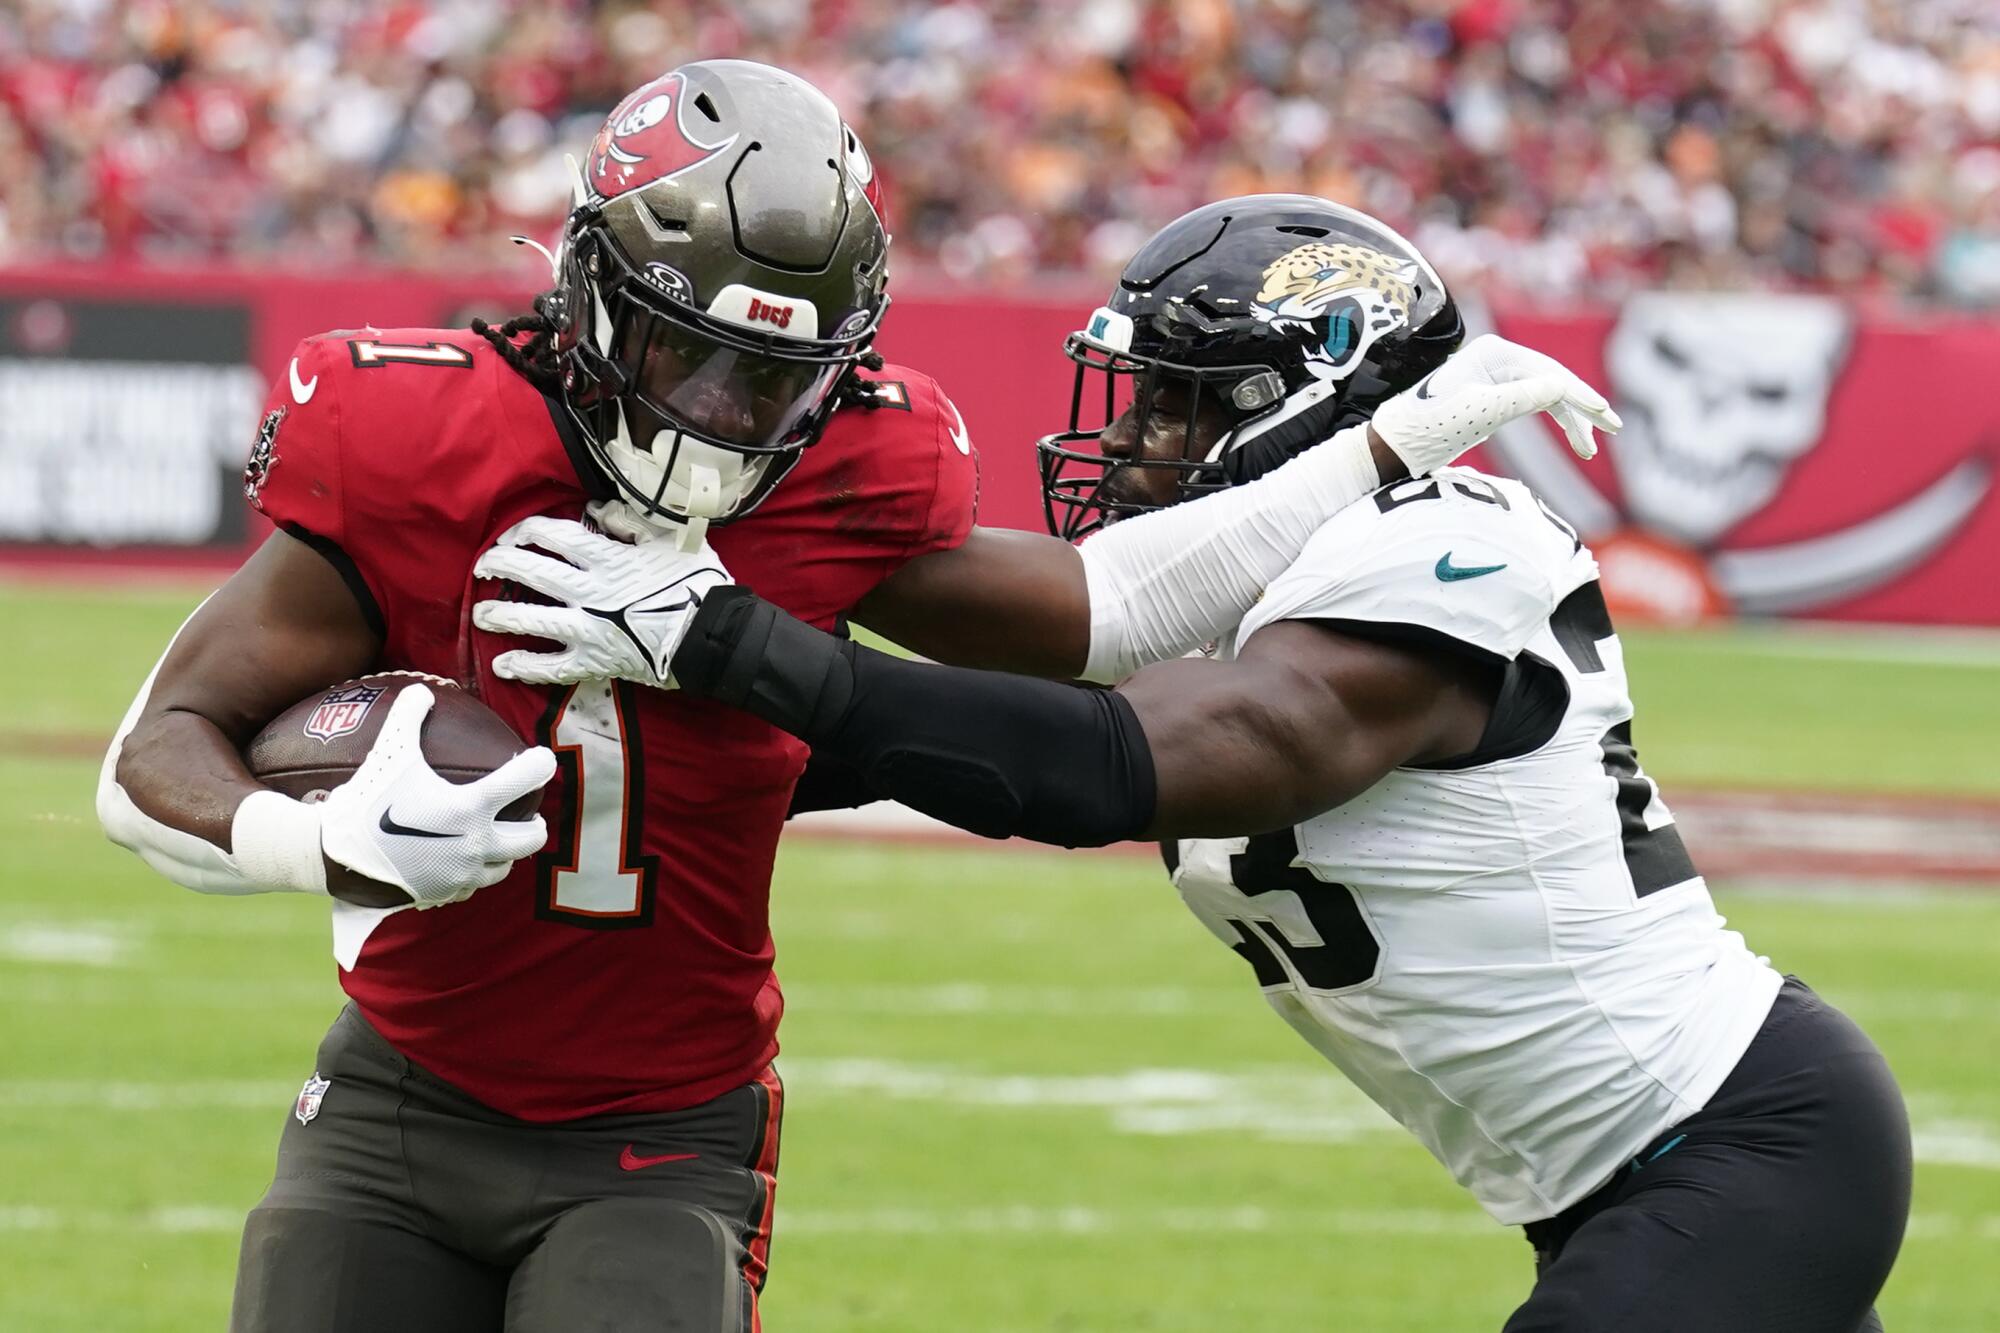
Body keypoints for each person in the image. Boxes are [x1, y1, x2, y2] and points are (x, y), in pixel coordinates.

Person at [95, 56, 1605, 1333]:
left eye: (767, 383)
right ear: (585, 291)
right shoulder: (419, 436)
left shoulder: (843, 472)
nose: (713, 419)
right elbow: (148, 753)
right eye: (680, 357)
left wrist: (1376, 446)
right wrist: (321, 841)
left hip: (658, 1136)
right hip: (395, 1104)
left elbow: (1113, 606)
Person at [486, 208, 1911, 1331]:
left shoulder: (1442, 541)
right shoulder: (1246, 582)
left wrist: (738, 643)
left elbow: (1141, 763)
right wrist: (559, 754)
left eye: (1175, 404)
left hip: (1743, 1144)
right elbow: (912, 738)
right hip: (1614, 1182)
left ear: (1320, 397)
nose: (1129, 440)